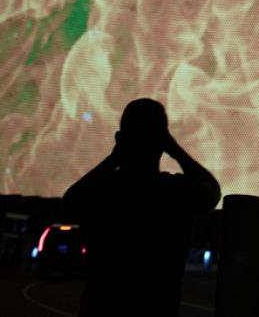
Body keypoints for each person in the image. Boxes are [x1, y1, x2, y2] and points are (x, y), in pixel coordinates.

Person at [63, 98, 221, 317]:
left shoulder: (103, 191)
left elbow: (70, 202)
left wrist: (113, 158)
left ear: (120, 139)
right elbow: (212, 190)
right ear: (163, 142)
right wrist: (175, 149)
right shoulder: (176, 192)